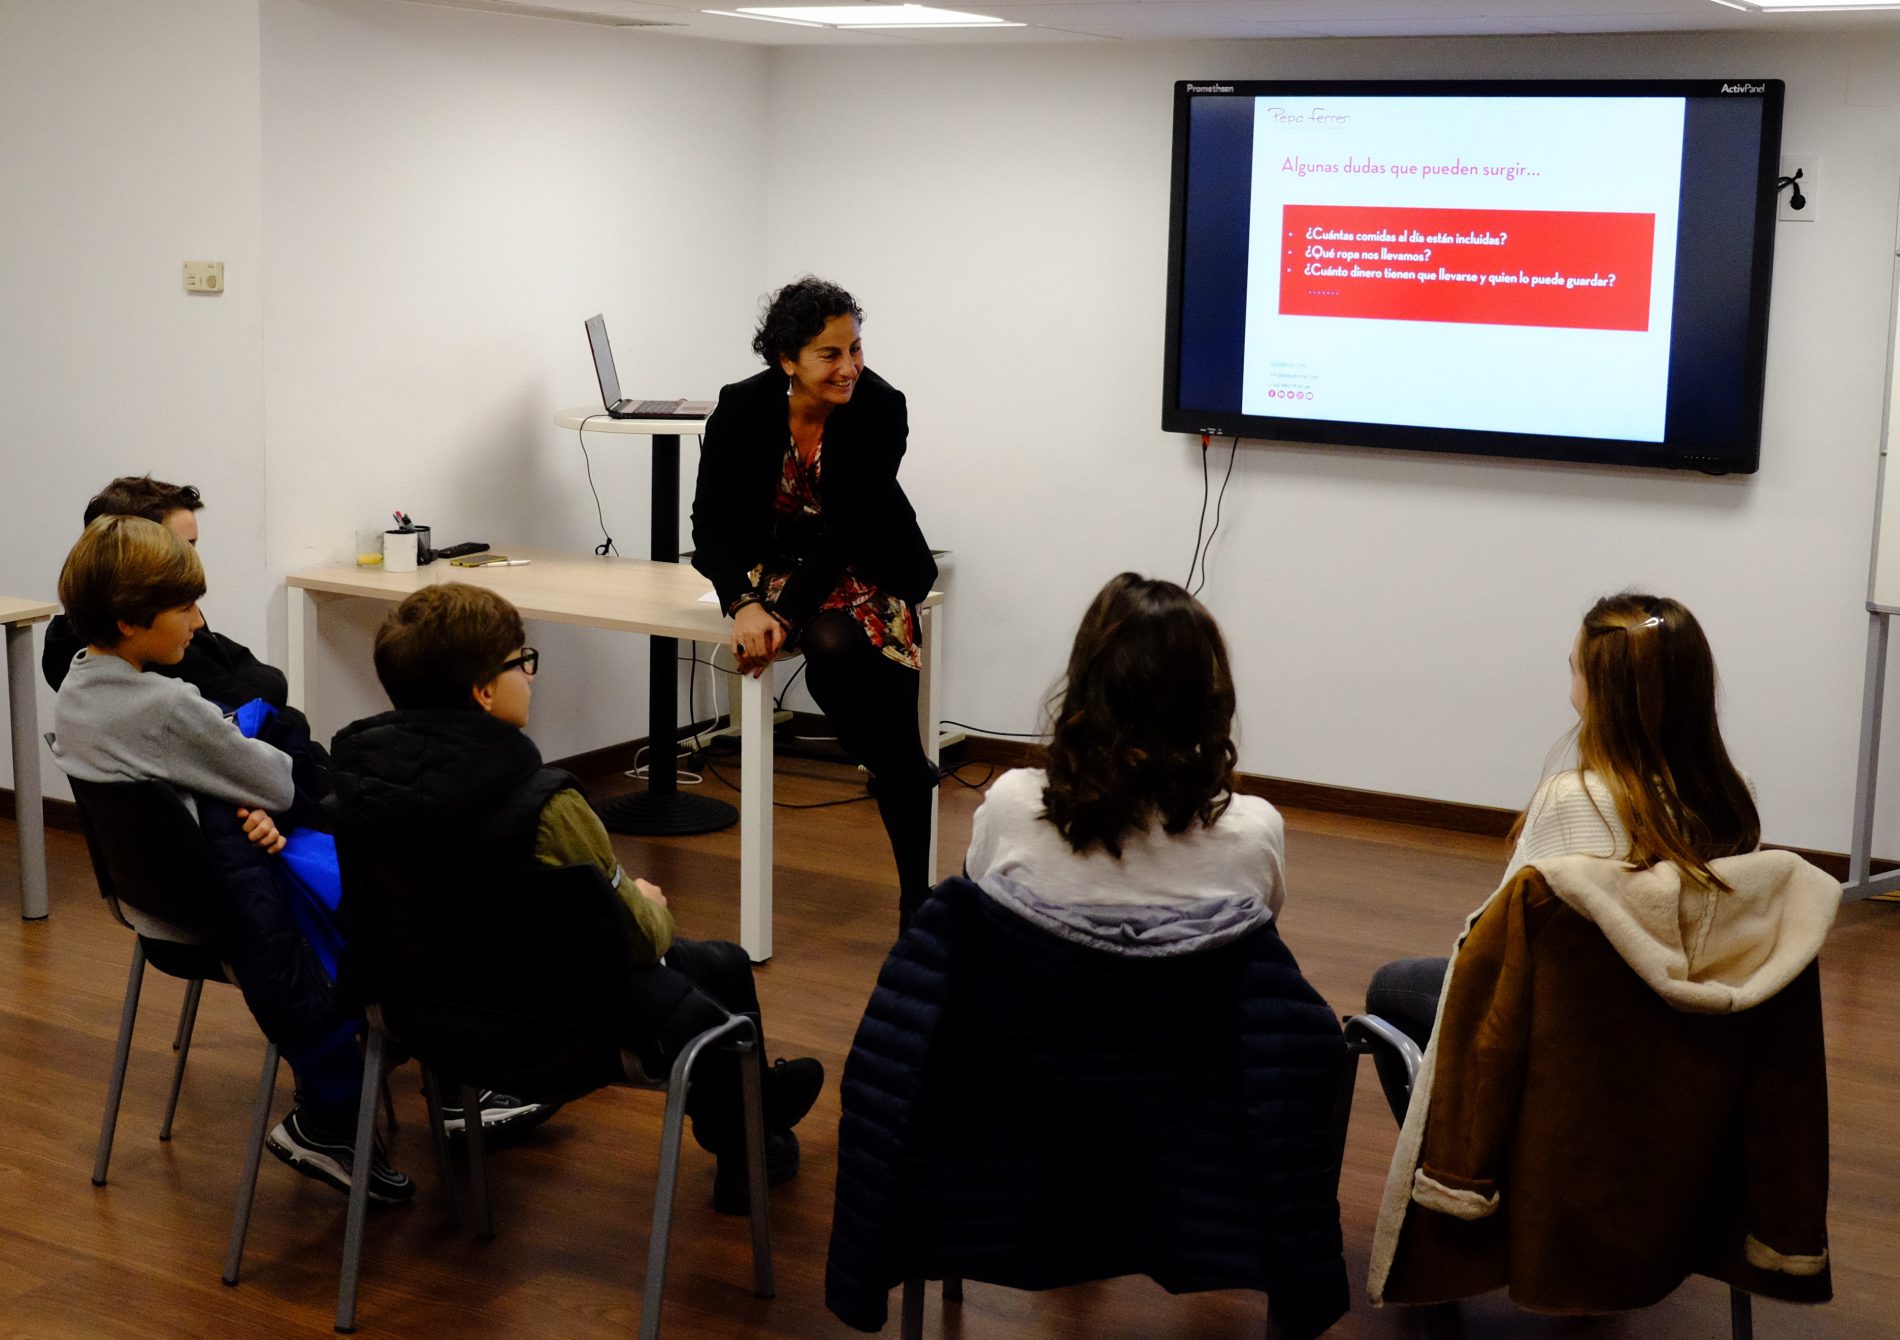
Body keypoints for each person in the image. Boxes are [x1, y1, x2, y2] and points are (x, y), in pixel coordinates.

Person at [323, 583, 824, 1212]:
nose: (531, 676)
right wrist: (645, 899)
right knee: (717, 969)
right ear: (484, 691)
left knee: (715, 968)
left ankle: (762, 1115)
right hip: (555, 1035)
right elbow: (640, 942)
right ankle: (754, 1141)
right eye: (521, 661)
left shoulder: (356, 792)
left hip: (419, 1020)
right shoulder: (546, 804)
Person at [49, 516, 412, 1203]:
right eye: (185, 607)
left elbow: (186, 781)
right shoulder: (164, 704)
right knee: (385, 870)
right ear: (129, 620)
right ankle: (414, 1074)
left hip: (161, 908)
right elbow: (275, 781)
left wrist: (226, 800)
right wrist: (242, 798)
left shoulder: (76, 689)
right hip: (230, 913)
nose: (198, 621)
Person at [1365, 591, 1762, 1047]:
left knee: (1392, 985)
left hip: (1573, 1025)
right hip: (1692, 1025)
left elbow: (1491, 940)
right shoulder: (1735, 795)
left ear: (1600, 691)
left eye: (1575, 668)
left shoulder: (1571, 800)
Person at [691, 277, 939, 928]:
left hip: (865, 562)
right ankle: (888, 761)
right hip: (777, 566)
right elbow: (709, 522)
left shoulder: (881, 407)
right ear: (787, 359)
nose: (849, 366)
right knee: (854, 688)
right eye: (830, 354)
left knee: (846, 660)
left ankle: (916, 898)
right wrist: (744, 603)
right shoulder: (741, 407)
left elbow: (848, 532)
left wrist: (781, 616)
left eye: (855, 348)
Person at [965, 573, 1286, 944]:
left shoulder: (1011, 808)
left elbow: (974, 927)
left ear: (1084, 684)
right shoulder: (1254, 835)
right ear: (1207, 696)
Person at [42, 475, 289, 710]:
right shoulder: (147, 643)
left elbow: (240, 661)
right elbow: (245, 697)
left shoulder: (146, 620)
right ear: (135, 546)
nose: (193, 560)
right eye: (182, 547)